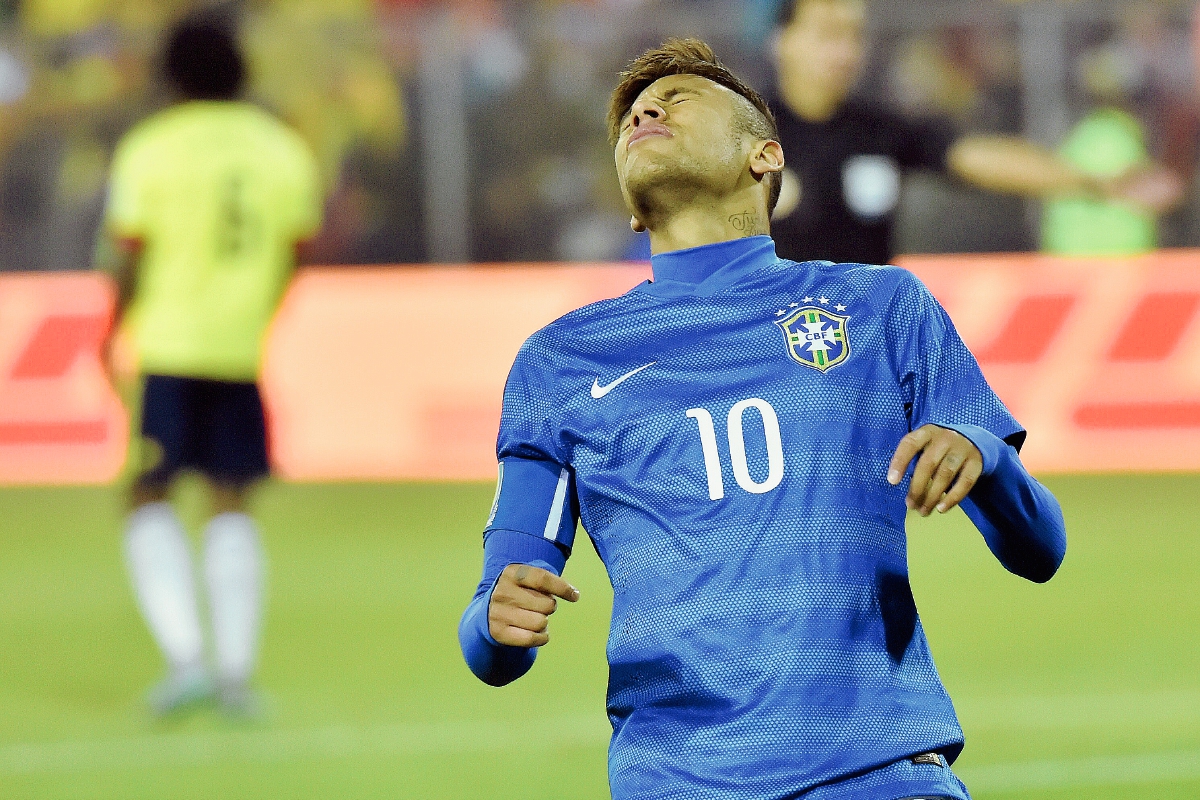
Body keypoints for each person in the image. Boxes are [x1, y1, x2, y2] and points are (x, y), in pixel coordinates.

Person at [459, 39, 1067, 800]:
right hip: (678, 783)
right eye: (632, 118)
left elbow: (1040, 549)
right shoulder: (560, 360)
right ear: (630, 206)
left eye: (677, 99)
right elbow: (497, 623)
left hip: (878, 775)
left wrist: (986, 455)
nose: (646, 113)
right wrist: (495, 624)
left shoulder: (880, 306)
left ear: (765, 156)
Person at [99, 16, 322, 715]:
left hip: (168, 345)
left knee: (147, 494)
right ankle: (234, 675)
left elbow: (130, 251)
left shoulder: (152, 147)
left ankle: (187, 660)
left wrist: (111, 329)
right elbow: (296, 249)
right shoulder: (282, 147)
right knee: (231, 500)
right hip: (239, 347)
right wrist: (257, 310)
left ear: (172, 76)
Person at [769, 0, 1182, 264]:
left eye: (855, 36)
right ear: (782, 41)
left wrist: (1095, 182)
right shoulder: (750, 131)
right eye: (828, 34)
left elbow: (975, 157)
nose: (845, 51)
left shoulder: (879, 130)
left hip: (863, 338)